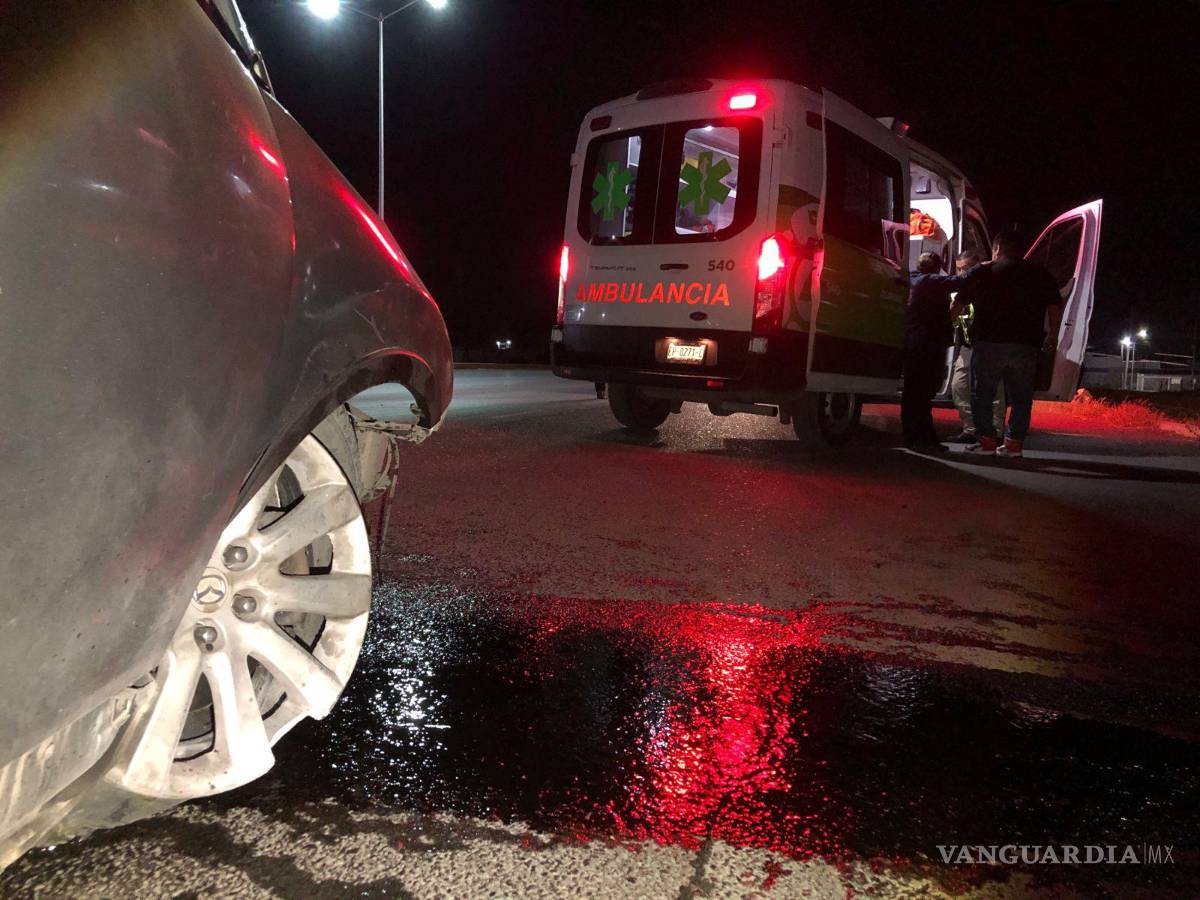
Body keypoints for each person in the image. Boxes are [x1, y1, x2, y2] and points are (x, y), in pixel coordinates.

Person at [954, 231, 1062, 458]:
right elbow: (1054, 306)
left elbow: (958, 301)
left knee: (982, 395)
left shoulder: (983, 271)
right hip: (1025, 346)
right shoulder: (1039, 274)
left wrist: (947, 324)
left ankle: (986, 443)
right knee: (1021, 398)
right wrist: (1053, 334)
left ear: (997, 249)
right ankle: (1013, 446)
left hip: (988, 344)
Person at [901, 251, 970, 452]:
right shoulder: (931, 281)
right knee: (923, 391)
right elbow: (961, 281)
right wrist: (983, 266)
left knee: (913, 391)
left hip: (915, 343)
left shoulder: (914, 279)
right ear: (937, 267)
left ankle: (915, 436)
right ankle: (922, 437)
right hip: (927, 345)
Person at [947, 251, 1005, 442]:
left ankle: (995, 432)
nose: (962, 273)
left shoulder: (986, 284)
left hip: (988, 344)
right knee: (959, 386)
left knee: (993, 390)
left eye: (965, 268)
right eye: (959, 269)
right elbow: (952, 316)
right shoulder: (958, 289)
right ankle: (970, 429)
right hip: (967, 345)